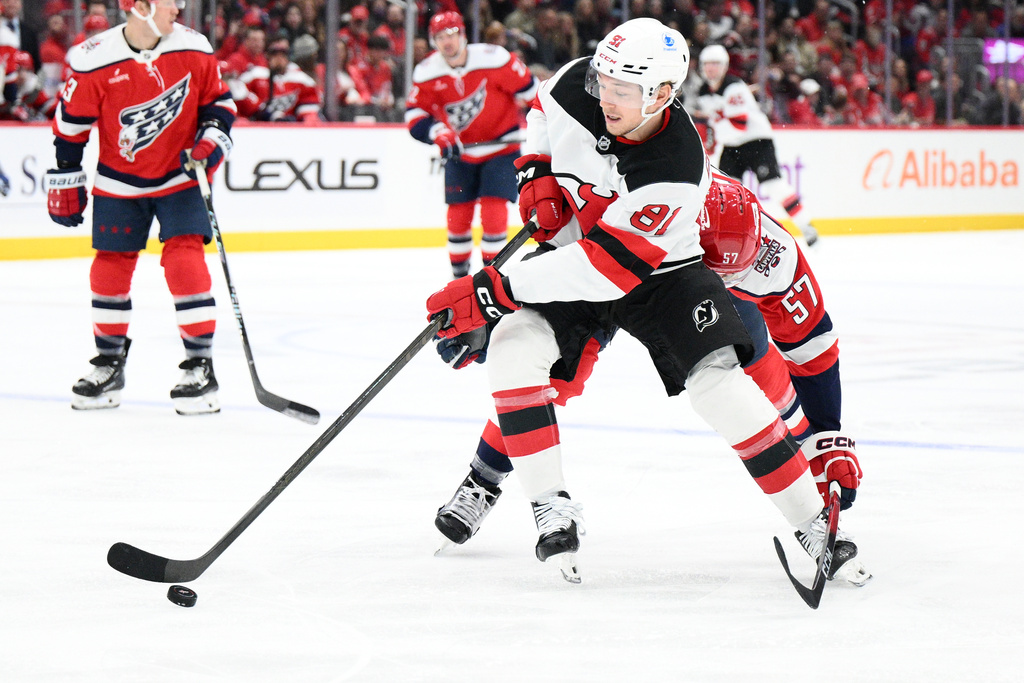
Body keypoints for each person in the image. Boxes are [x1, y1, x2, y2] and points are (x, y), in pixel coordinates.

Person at [424, 18, 842, 583]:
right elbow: (540, 116)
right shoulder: (579, 84)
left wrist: (495, 288)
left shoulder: (677, 166)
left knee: (719, 385)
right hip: (582, 251)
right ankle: (548, 504)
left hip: (661, 275)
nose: (606, 97)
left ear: (663, 94)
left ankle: (814, 525)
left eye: (623, 90)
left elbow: (607, 271)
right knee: (514, 346)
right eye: (604, 81)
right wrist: (536, 174)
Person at [432, 173, 870, 586]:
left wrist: (827, 437)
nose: (730, 278)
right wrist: (497, 304)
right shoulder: (626, 187)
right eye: (721, 270)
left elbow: (812, 349)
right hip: (606, 263)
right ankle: (483, 480)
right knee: (551, 372)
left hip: (680, 284)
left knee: (751, 377)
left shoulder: (773, 256)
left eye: (735, 272)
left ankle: (808, 490)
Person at [45, 0, 236, 415]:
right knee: (110, 266)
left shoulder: (195, 48)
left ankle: (200, 367)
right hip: (118, 180)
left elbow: (221, 106)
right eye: (170, 0)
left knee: (185, 261)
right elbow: (70, 127)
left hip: (181, 175)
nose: (179, 7)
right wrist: (66, 175)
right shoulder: (94, 58)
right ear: (142, 6)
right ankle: (109, 364)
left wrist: (210, 141)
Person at [405, 10, 539, 278]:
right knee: (458, 217)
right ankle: (460, 281)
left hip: (502, 149)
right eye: (440, 37)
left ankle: (490, 278)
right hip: (461, 153)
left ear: (463, 35)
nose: (447, 42)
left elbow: (533, 93)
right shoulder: (427, 72)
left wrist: (542, 124)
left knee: (493, 213)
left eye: (452, 34)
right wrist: (438, 132)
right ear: (433, 41)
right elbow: (414, 113)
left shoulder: (494, 59)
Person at [695, 44, 820, 246]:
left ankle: (806, 227)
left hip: (757, 141)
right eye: (707, 64)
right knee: (726, 193)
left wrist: (714, 132)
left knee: (773, 185)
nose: (711, 69)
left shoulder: (733, 87)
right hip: (731, 145)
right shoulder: (703, 92)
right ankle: (729, 237)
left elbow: (739, 124)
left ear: (725, 66)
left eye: (715, 64)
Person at [238, 35, 321, 123]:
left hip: (290, 129)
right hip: (259, 126)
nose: (279, 58)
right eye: (275, 54)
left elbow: (309, 111)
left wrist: (303, 119)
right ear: (268, 56)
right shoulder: (255, 74)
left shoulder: (301, 80)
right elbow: (238, 93)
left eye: (283, 54)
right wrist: (260, 109)